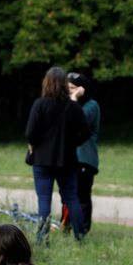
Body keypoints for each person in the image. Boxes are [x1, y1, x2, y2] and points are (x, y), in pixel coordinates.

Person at [25, 66, 92, 242]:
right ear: (64, 84)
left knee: (44, 199)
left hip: (42, 160)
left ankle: (42, 238)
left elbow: (30, 133)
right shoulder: (73, 107)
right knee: (72, 198)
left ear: (46, 83)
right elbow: (86, 132)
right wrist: (72, 144)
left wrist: (37, 144)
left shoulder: (40, 104)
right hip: (67, 160)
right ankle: (79, 236)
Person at [67, 72, 101, 234]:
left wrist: (73, 99)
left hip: (84, 159)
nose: (69, 92)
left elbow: (78, 120)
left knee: (82, 197)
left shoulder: (91, 105)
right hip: (68, 157)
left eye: (72, 88)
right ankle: (65, 226)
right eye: (66, 88)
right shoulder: (68, 103)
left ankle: (82, 231)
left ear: (82, 90)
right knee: (67, 196)